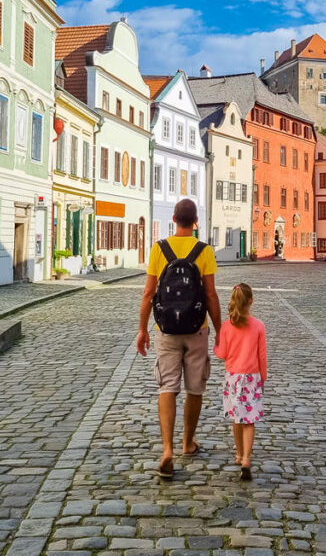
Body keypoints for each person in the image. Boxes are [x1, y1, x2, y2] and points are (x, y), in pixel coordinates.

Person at [137, 199, 221, 479]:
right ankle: (187, 443)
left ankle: (166, 450)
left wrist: (142, 329)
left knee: (167, 387)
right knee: (195, 388)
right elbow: (210, 294)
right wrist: (221, 330)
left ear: (174, 219)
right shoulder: (205, 251)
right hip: (197, 328)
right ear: (195, 222)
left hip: (166, 331)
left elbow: (149, 293)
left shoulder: (158, 249)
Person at [213, 283, 268, 481]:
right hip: (252, 377)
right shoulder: (259, 326)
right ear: (251, 301)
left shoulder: (227, 327)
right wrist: (263, 375)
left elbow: (222, 354)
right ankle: (246, 458)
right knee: (249, 419)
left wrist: (216, 346)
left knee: (237, 418)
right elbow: (262, 354)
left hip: (233, 377)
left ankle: (238, 454)